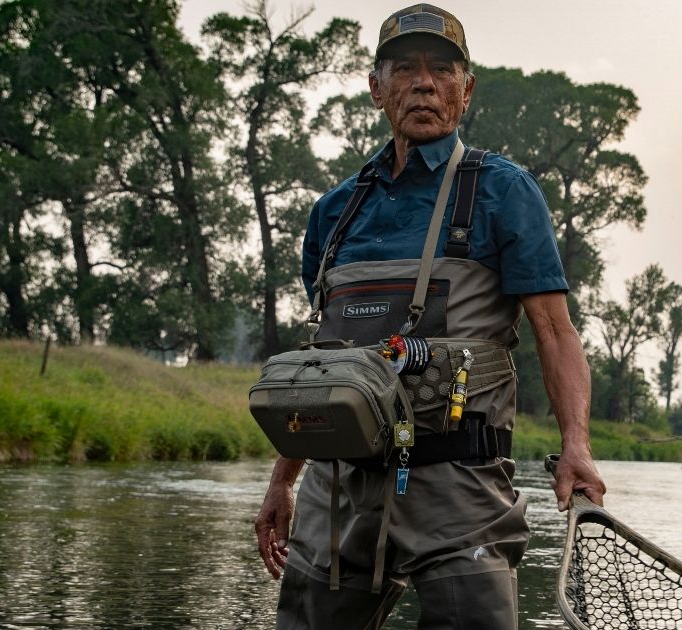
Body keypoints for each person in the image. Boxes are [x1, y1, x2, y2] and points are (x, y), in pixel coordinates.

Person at [252, 5, 606, 629]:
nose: (423, 83)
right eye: (405, 69)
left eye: (442, 70)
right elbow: (325, 356)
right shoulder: (334, 210)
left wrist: (576, 446)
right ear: (376, 88)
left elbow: (555, 330)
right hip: (335, 490)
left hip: (460, 488)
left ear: (465, 91)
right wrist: (283, 481)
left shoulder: (504, 191)